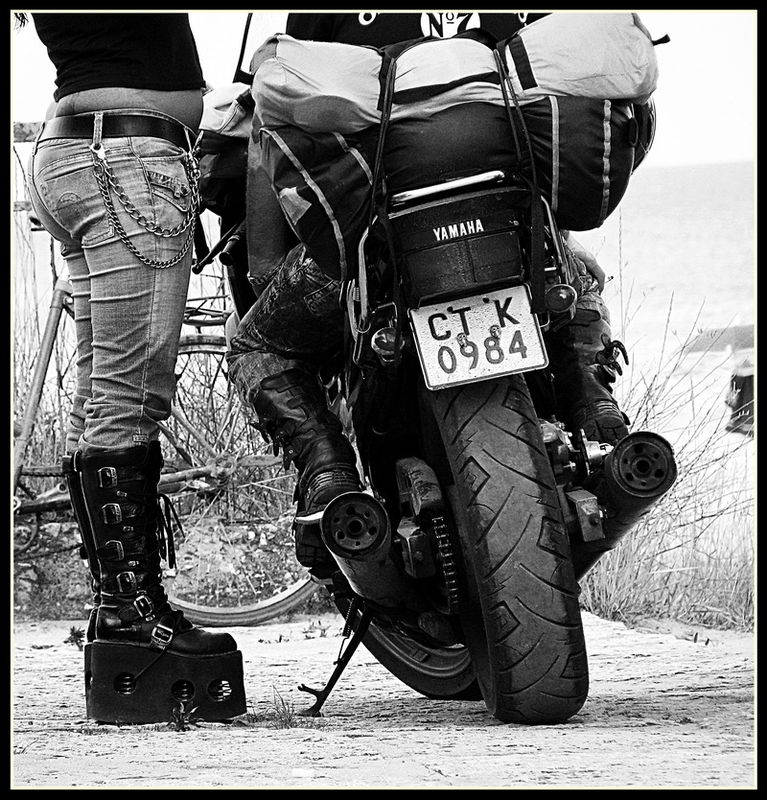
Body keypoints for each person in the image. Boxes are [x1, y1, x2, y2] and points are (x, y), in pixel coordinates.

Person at [227, 11, 630, 577]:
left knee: (257, 346)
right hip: (510, 221)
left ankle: (328, 471)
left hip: (379, 239)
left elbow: (270, 123)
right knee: (581, 283)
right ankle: (589, 397)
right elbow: (559, 84)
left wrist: (267, 269)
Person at [17, 12, 245, 724]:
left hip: (84, 153)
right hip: (126, 163)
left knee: (101, 398)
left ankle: (117, 608)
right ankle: (131, 615)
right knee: (127, 397)